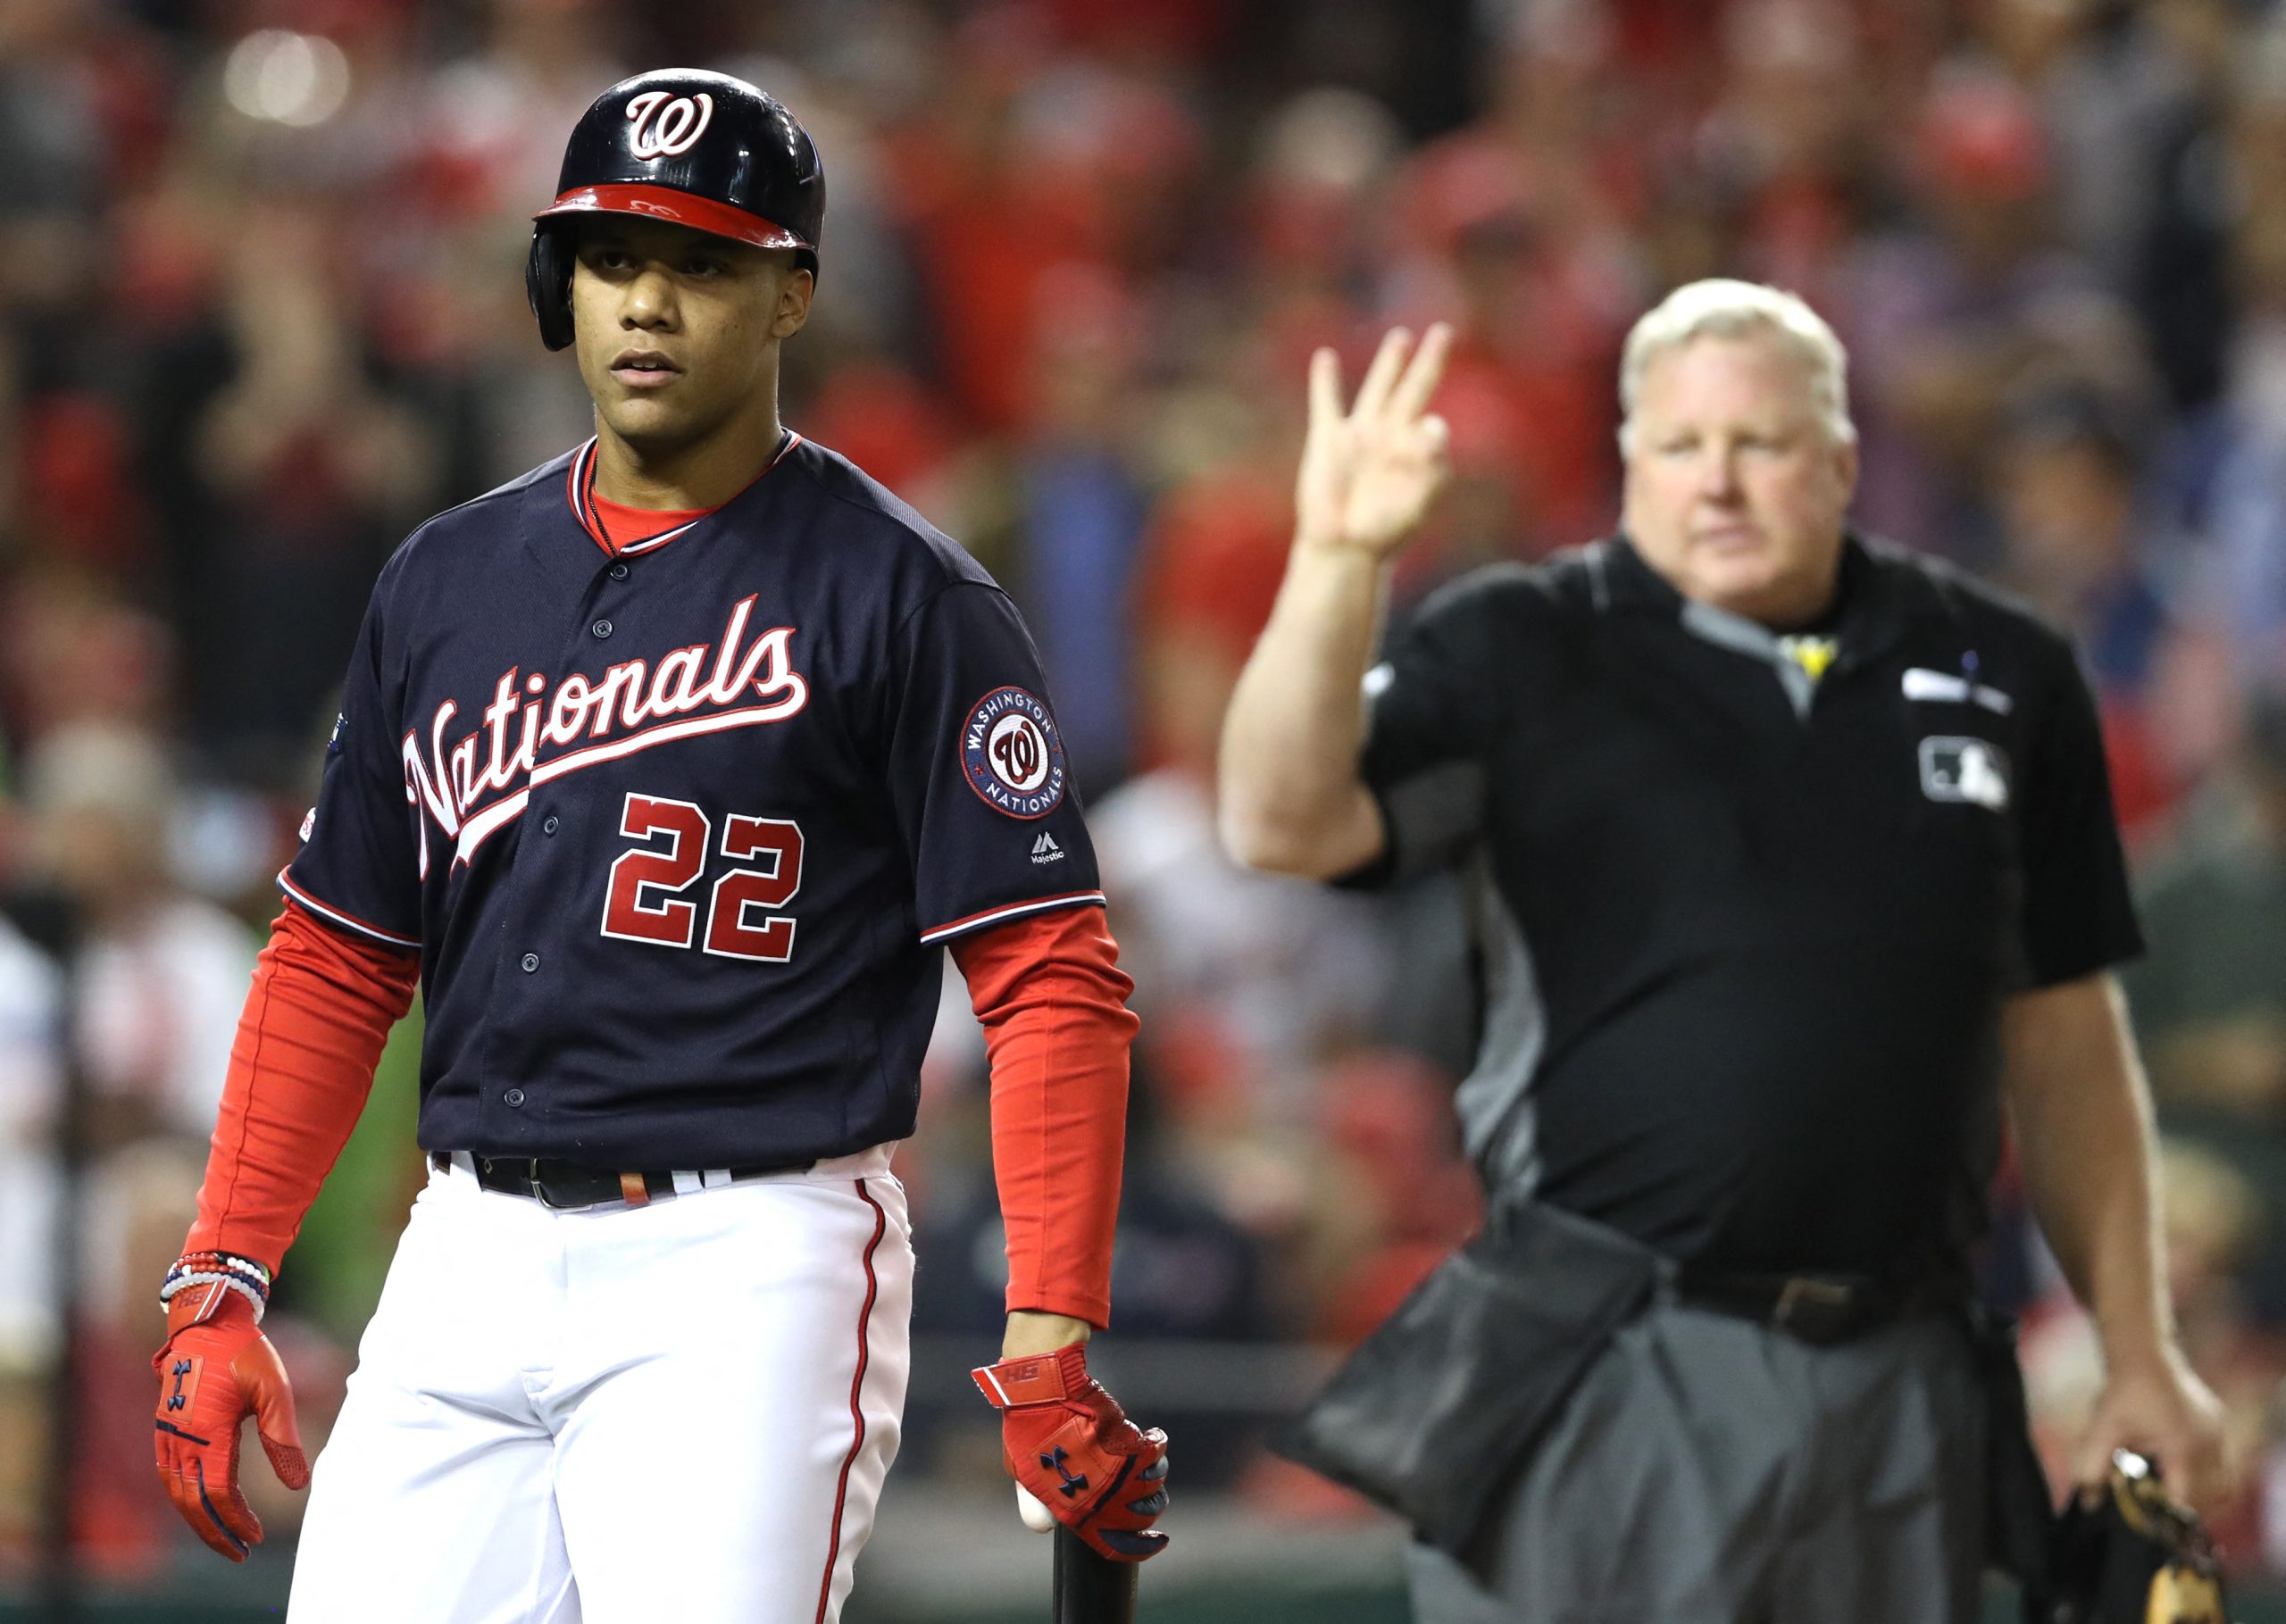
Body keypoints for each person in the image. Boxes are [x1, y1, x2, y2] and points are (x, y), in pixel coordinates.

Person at [148, 70, 1169, 1622]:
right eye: (616, 260)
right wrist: (221, 1271)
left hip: (750, 1254)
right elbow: (338, 953)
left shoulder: (908, 598)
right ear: (564, 286)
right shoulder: (448, 575)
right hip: (468, 1246)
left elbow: (1051, 979)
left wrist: (1049, 1329)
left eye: (702, 265)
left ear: (791, 297)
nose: (648, 303)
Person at [1219, 279, 2223, 1622]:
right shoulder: (1520, 643)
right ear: (1629, 462)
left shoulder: (2008, 670)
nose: (1720, 483)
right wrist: (1339, 560)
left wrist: (2138, 1347)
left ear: (1846, 462)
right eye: (1680, 447)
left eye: (1761, 443)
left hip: (1905, 1371)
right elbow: (1278, 819)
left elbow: (2065, 1031)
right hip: (1609, 1353)